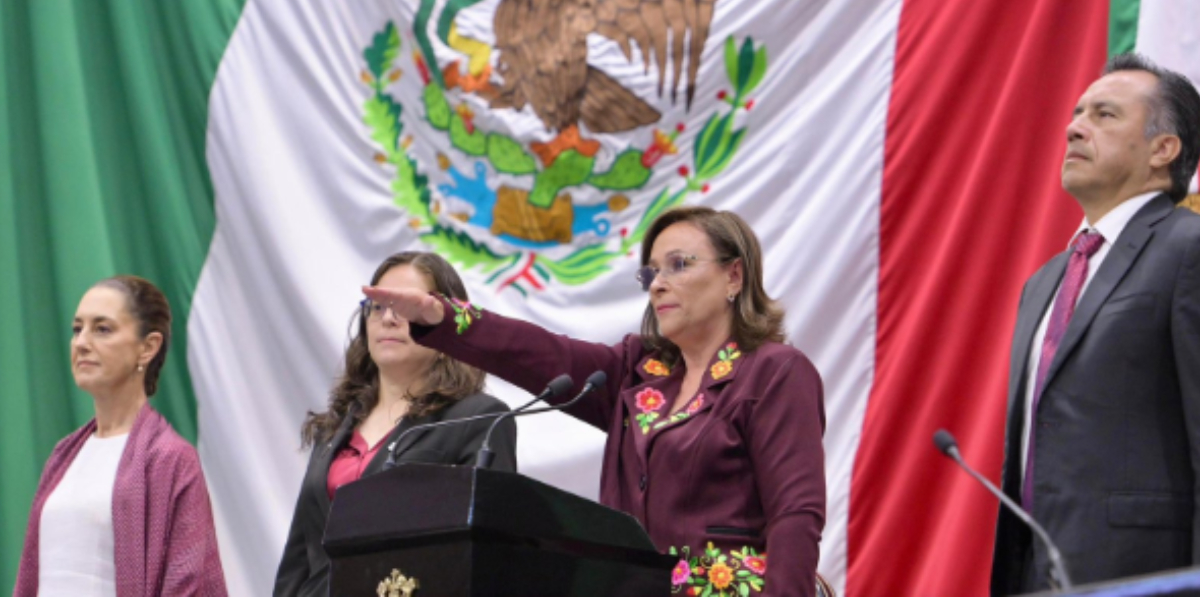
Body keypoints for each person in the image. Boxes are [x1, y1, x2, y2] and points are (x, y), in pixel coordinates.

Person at [364, 207, 826, 597]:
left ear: (734, 275)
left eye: (679, 265)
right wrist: (442, 316)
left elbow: (795, 515)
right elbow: (539, 352)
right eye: (651, 272)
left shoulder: (774, 372)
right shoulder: (638, 373)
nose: (657, 284)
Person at [992, 53, 1200, 593]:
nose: (1074, 127)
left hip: (1149, 576)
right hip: (1036, 573)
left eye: (1105, 115)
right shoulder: (1044, 282)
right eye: (1078, 112)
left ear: (1163, 149)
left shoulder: (1188, 249)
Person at [275, 252, 517, 597]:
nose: (388, 318)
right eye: (377, 306)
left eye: (406, 307)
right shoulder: (335, 427)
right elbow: (298, 558)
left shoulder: (479, 419)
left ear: (446, 326)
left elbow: (492, 558)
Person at [14, 275, 227, 596]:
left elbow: (188, 584)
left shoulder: (170, 458)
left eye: (102, 329)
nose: (82, 342)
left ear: (148, 348)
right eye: (77, 329)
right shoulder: (64, 455)